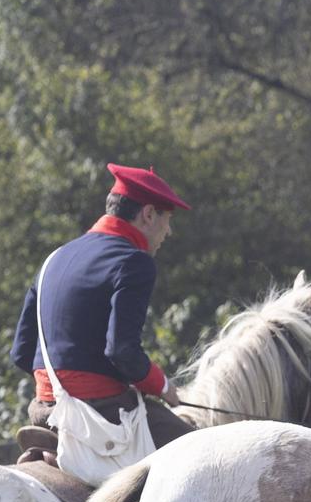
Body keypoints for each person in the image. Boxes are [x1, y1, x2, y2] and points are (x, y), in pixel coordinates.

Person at [11, 163, 195, 461]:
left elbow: (21, 353)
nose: (169, 231)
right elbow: (122, 351)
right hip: (99, 411)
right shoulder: (135, 262)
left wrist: (57, 388)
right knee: (205, 454)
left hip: (44, 410)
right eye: (167, 219)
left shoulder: (54, 258)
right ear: (149, 214)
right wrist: (163, 386)